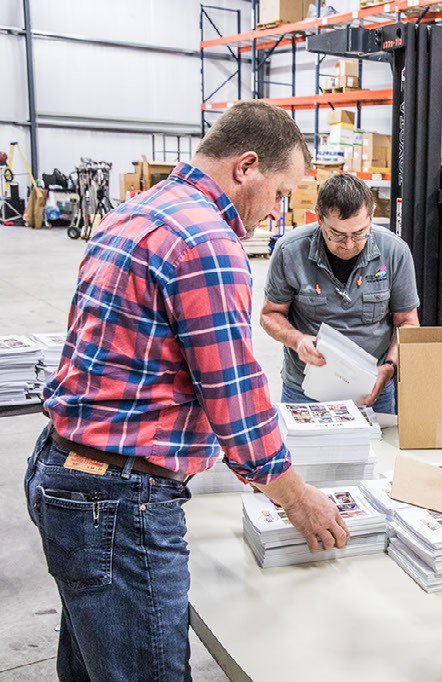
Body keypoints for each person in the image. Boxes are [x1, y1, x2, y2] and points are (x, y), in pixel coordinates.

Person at [24, 101, 350, 681]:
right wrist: (298, 500)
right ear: (246, 167)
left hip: (65, 471)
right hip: (117, 503)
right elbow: (235, 395)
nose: (277, 213)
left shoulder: (134, 212)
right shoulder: (205, 241)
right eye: (280, 194)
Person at [260, 173, 419, 413]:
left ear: (371, 216)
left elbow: (407, 321)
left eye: (359, 233)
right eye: (337, 234)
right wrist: (298, 340)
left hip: (373, 390)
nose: (348, 244)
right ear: (319, 219)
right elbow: (270, 314)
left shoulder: (394, 251)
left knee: (376, 451)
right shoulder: (290, 251)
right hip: (305, 390)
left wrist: (390, 366)